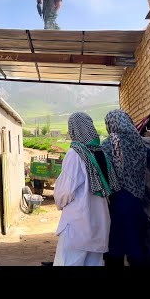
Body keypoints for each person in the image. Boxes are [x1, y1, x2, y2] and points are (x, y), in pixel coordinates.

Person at [53, 112, 121, 266]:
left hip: (78, 225)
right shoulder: (101, 153)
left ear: (73, 130)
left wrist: (59, 203)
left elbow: (64, 192)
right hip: (99, 225)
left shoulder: (75, 154)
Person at [100, 109, 148, 267]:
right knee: (135, 242)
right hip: (137, 199)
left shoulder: (110, 143)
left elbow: (101, 170)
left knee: (115, 244)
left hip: (118, 200)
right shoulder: (139, 141)